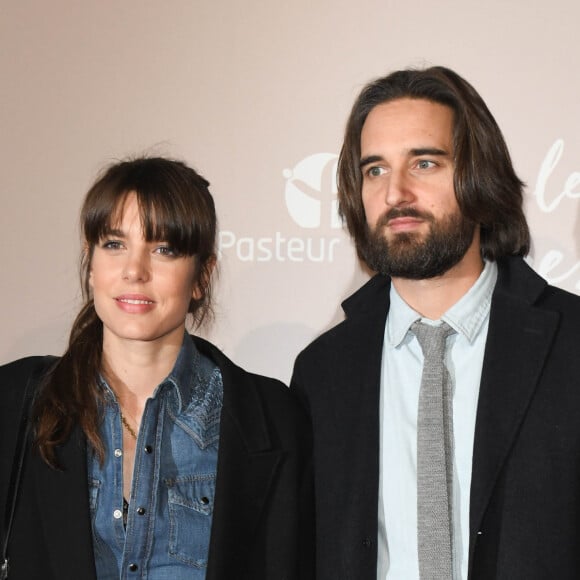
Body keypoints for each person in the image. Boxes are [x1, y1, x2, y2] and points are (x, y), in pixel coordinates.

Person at [291, 66, 580, 580]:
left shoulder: (573, 345)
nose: (396, 192)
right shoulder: (323, 372)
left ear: (478, 175)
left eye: (424, 163)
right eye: (375, 170)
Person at [0, 157, 314, 580]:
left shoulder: (272, 418)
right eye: (114, 244)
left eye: (163, 249)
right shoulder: (15, 401)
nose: (135, 271)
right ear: (91, 266)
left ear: (202, 276)